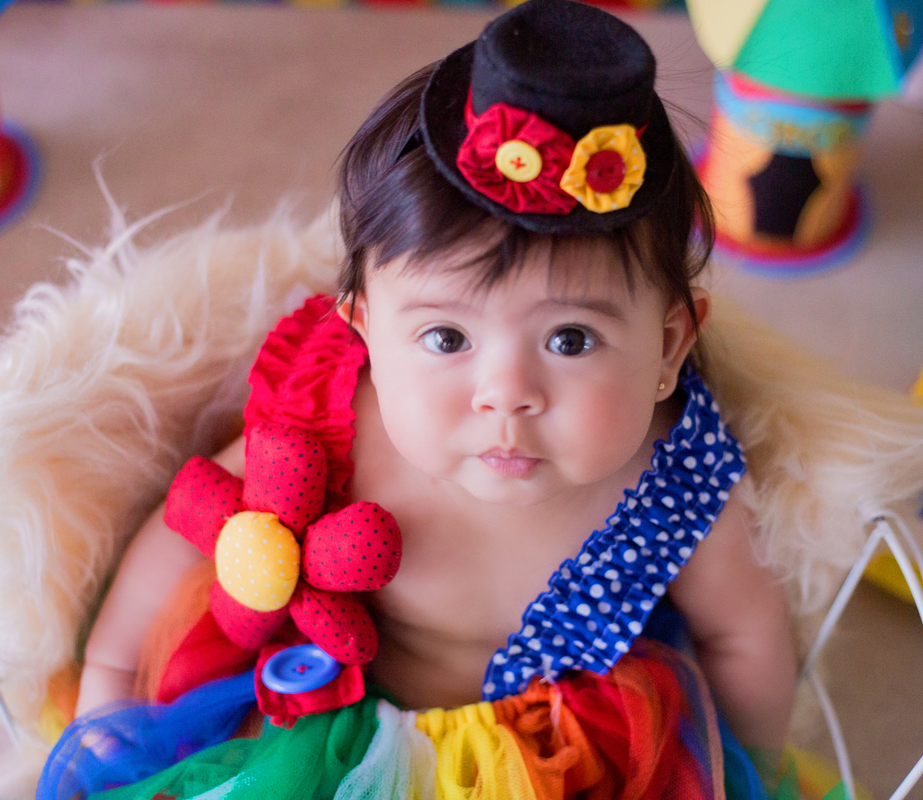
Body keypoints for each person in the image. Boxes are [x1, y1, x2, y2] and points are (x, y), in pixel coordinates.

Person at [51, 1, 798, 797]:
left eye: (570, 340)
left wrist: (748, 765)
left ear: (669, 348)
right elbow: (193, 528)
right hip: (329, 728)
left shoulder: (673, 483)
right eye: (447, 340)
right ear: (366, 335)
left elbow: (742, 635)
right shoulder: (334, 426)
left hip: (567, 756)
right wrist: (112, 670)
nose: (506, 395)